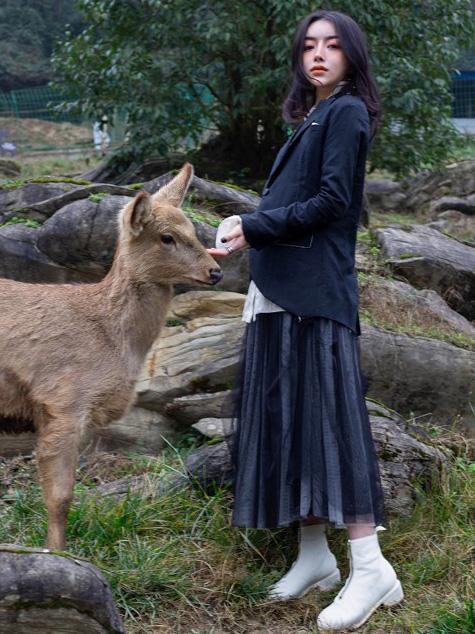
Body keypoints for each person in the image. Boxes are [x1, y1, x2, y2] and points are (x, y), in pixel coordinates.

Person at [207, 9, 404, 632]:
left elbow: (332, 203)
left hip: (316, 295)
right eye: (309, 46)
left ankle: (369, 566)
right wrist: (251, 231)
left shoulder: (345, 112)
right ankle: (315, 557)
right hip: (282, 288)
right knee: (290, 420)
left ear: (352, 56)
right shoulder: (314, 115)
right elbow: (295, 201)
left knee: (330, 425)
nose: (318, 54)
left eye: (333, 45)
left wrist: (251, 224)